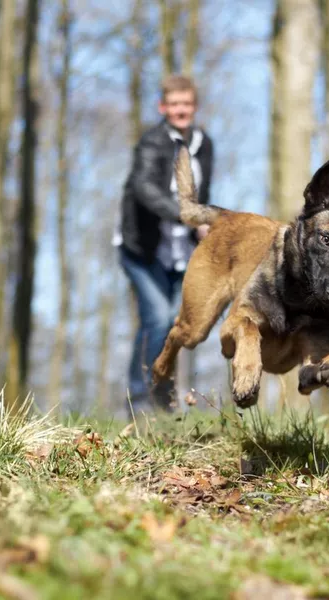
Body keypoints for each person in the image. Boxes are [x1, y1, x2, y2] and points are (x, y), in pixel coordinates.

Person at [114, 74, 214, 417]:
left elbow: (204, 195)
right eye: (173, 105)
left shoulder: (204, 144)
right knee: (157, 317)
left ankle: (163, 397)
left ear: (194, 106)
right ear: (162, 107)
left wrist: (206, 227)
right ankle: (139, 401)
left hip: (181, 253)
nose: (180, 110)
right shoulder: (151, 143)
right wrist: (187, 217)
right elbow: (144, 190)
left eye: (186, 104)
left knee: (174, 323)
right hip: (142, 249)